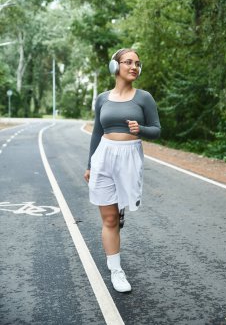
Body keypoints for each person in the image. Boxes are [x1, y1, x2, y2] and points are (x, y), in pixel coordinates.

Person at [84, 48, 161, 293]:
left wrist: (141, 130)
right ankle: (116, 270)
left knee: (116, 213)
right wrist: (89, 165)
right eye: (128, 62)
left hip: (130, 156)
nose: (134, 67)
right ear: (114, 66)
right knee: (109, 219)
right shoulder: (103, 99)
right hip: (104, 155)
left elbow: (157, 130)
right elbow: (97, 131)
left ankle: (120, 209)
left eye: (138, 63)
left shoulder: (144, 98)